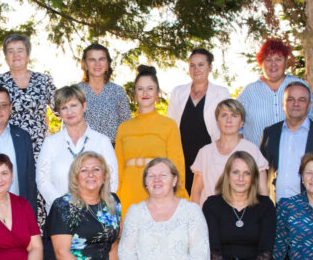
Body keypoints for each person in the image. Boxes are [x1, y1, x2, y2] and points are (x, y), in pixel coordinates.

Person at [115, 65, 187, 213]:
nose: (145, 93)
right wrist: (117, 199)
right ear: (134, 94)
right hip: (130, 190)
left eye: (150, 88)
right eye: (140, 89)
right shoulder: (124, 127)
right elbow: (118, 167)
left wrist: (177, 195)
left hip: (159, 189)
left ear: (157, 93)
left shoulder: (169, 125)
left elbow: (177, 164)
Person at [37, 85, 119, 211]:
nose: (69, 112)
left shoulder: (102, 141)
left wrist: (95, 206)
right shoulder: (50, 143)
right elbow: (42, 180)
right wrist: (63, 206)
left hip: (95, 215)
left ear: (84, 106)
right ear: (59, 112)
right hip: (60, 216)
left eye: (73, 105)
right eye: (64, 108)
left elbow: (112, 180)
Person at [259, 82, 313, 203]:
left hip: (310, 212)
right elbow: (261, 173)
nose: (296, 104)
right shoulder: (270, 133)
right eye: (290, 99)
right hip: (274, 210)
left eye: (302, 100)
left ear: (309, 105)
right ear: (283, 104)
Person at [166, 48, 230, 194]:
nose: (196, 69)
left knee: (208, 198)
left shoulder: (221, 93)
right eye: (192, 65)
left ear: (210, 67)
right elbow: (170, 126)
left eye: (201, 65)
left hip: (210, 158)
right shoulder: (178, 92)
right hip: (182, 158)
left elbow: (227, 126)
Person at [190, 98, 269, 205]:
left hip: (242, 215)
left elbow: (262, 190)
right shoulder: (205, 152)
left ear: (241, 123)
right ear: (217, 121)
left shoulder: (252, 150)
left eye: (234, 116)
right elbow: (196, 191)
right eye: (224, 115)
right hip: (209, 216)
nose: (229, 120)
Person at [236, 38, 313, 146]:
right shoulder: (249, 92)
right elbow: (236, 127)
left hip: (295, 155)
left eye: (278, 59)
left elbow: (312, 118)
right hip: (257, 159)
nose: (273, 64)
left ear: (286, 61)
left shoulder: (300, 86)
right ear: (261, 63)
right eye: (268, 60)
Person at [0, 33, 55, 157]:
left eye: (20, 50)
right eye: (11, 51)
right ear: (6, 57)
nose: (16, 55)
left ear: (28, 55)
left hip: (40, 149)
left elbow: (60, 109)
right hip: (8, 147)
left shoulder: (43, 80)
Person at [77, 43, 130, 143]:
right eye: (92, 59)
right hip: (83, 152)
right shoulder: (76, 91)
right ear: (85, 64)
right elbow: (68, 124)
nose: (97, 64)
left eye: (101, 59)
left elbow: (126, 126)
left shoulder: (118, 91)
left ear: (108, 64)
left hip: (112, 151)